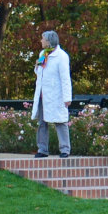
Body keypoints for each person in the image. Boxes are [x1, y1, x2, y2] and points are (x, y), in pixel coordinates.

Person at [31, 31, 72, 159]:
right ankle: (42, 149)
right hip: (43, 95)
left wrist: (67, 97)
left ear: (49, 41)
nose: (41, 41)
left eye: (43, 39)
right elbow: (39, 72)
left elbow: (65, 78)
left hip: (56, 95)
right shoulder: (43, 54)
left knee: (60, 121)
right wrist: (36, 66)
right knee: (42, 122)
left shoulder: (62, 56)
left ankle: (65, 149)